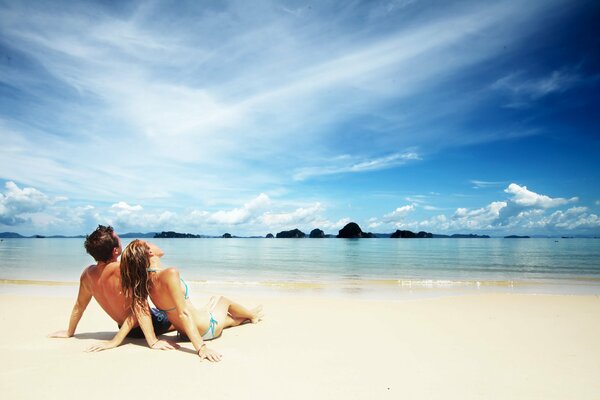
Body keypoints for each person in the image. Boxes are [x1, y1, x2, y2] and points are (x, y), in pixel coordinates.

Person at [102, 239, 263, 361]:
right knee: (221, 299)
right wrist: (202, 348)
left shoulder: (145, 281)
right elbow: (183, 313)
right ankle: (252, 315)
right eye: (151, 243)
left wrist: (116, 341)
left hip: (184, 332)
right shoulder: (169, 273)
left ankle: (245, 317)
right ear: (150, 252)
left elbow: (137, 312)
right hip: (203, 329)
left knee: (227, 317)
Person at [49, 225, 177, 351]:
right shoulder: (123, 269)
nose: (122, 241)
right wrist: (152, 342)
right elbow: (140, 306)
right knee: (185, 316)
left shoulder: (87, 274)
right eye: (119, 239)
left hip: (125, 328)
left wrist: (69, 332)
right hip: (151, 325)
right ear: (115, 251)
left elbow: (79, 306)